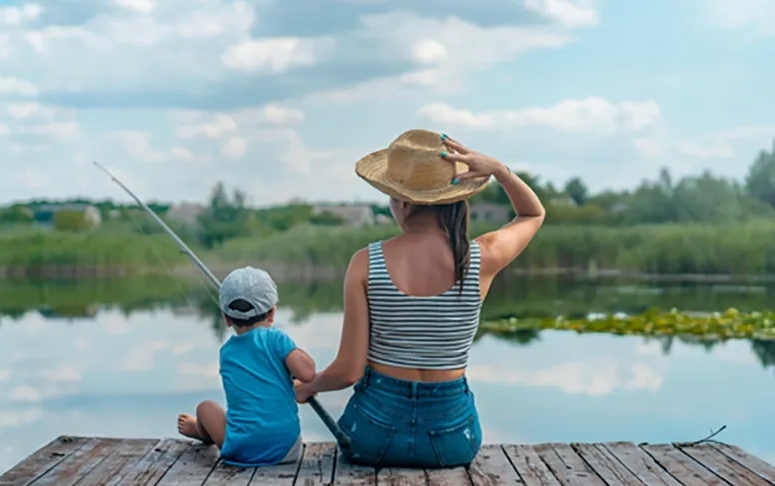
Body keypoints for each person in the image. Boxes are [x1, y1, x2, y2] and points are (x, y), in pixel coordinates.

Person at [294, 129, 546, 468]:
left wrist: (310, 386)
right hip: (454, 441)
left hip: (372, 438)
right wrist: (500, 170)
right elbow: (532, 214)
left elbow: (348, 372)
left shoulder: (366, 262)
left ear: (404, 201)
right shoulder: (481, 257)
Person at [177, 266, 317, 466]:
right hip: (286, 449)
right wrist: (292, 351)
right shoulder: (278, 340)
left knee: (205, 407)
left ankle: (201, 431)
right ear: (272, 313)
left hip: (241, 450)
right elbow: (308, 373)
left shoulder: (227, 352)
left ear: (226, 318)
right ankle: (202, 431)